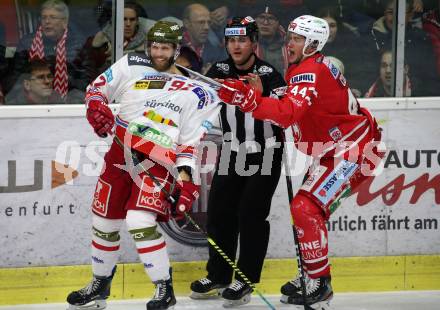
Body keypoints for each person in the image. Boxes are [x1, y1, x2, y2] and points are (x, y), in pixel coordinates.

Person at [216, 15, 384, 308]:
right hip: (339, 148)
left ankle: (320, 282)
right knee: (309, 210)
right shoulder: (308, 66)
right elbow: (294, 104)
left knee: (305, 207)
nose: (289, 42)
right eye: (290, 36)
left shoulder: (307, 71)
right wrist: (260, 97)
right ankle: (311, 273)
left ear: (313, 44)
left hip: (354, 150)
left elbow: (289, 113)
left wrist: (251, 102)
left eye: (297, 38)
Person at [66, 21, 221, 310]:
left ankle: (164, 288)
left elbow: (189, 142)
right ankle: (100, 285)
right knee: (104, 222)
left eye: (164, 48)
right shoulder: (131, 64)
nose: (158, 53)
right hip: (118, 155)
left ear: (177, 50)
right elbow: (96, 89)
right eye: (154, 46)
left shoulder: (199, 92)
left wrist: (186, 181)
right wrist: (96, 106)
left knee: (139, 221)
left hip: (157, 163)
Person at [189, 16, 286, 307]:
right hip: (232, 150)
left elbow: (285, 112)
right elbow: (199, 100)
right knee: (219, 212)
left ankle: (244, 279)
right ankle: (219, 275)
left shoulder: (268, 73)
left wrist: (261, 96)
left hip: (266, 151)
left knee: (251, 215)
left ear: (254, 43)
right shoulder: (218, 70)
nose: (236, 45)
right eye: (231, 40)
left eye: (242, 39)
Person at [5, 0, 85, 101]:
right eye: (44, 17)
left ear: (64, 22)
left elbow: (87, 83)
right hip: (32, 102)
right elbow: (12, 81)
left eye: (52, 17)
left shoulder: (79, 44)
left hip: (69, 103)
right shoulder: (27, 43)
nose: (47, 21)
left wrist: (64, 78)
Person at [370, 0, 439, 96]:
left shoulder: (421, 39)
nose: (395, 18)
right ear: (384, 13)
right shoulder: (372, 38)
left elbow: (431, 80)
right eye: (390, 12)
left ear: (410, 15)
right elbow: (367, 76)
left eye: (400, 13)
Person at [181, 3, 226, 72]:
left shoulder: (216, 52)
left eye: (209, 22)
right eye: (201, 22)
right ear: (187, 23)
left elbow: (225, 72)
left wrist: (213, 74)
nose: (206, 27)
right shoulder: (170, 46)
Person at [255, 5, 289, 75]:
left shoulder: (290, 46)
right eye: (261, 17)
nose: (265, 22)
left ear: (278, 23)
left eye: (271, 18)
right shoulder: (245, 45)